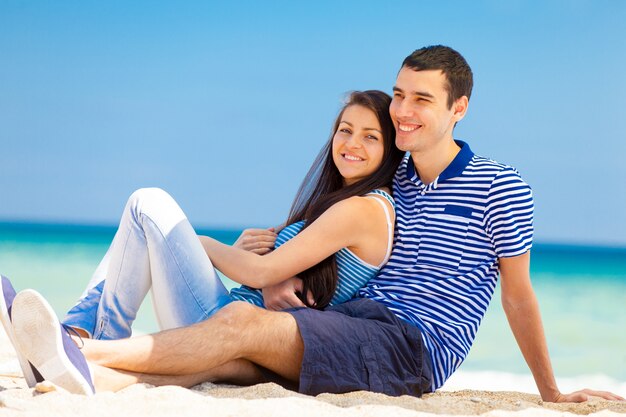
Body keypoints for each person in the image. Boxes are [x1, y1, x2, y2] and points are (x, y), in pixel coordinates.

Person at [7, 46, 624, 402]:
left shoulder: (500, 186)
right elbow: (343, 259)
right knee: (236, 357)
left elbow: (517, 295)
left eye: (422, 101)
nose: (404, 112)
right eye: (399, 95)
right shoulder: (395, 179)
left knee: (242, 323)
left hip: (412, 348)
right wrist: (281, 261)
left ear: (459, 109)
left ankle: (79, 345)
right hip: (351, 323)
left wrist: (549, 391)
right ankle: (79, 375)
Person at [2, 89, 404, 395]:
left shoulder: (365, 209)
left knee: (148, 204)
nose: (352, 144)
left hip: (229, 330)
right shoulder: (341, 204)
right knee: (144, 224)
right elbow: (277, 273)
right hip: (228, 328)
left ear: (389, 152)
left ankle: (85, 337)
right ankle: (72, 346)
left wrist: (204, 244)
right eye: (345, 130)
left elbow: (262, 272)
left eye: (370, 137)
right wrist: (260, 258)